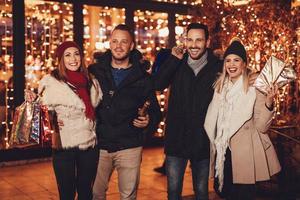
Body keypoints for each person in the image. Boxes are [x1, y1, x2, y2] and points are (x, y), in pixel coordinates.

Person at [89, 24, 161, 200]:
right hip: (100, 145)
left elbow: (155, 111)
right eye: (114, 41)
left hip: (130, 146)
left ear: (131, 46)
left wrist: (148, 121)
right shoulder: (95, 72)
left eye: (123, 42)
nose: (118, 46)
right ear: (109, 43)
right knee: (95, 194)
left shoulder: (143, 77)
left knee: (128, 196)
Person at [204, 40, 281, 200]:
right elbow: (213, 122)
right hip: (223, 153)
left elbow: (262, 127)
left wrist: (268, 102)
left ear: (244, 64)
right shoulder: (220, 87)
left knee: (242, 195)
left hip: (245, 155)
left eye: (236, 60)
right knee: (222, 192)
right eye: (228, 60)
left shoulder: (254, 87)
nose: (231, 64)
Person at [153, 23, 222, 200]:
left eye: (199, 40)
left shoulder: (217, 66)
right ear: (184, 41)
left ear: (207, 42)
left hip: (203, 141)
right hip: (176, 140)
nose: (193, 45)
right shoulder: (177, 61)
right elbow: (158, 84)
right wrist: (173, 60)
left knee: (201, 192)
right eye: (189, 39)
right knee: (173, 192)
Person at [26, 41, 102, 200]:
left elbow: (97, 112)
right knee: (66, 192)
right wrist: (36, 102)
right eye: (67, 55)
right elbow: (43, 110)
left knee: (86, 191)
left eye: (76, 54)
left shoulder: (91, 81)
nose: (73, 59)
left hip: (88, 144)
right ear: (61, 59)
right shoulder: (51, 82)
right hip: (64, 144)